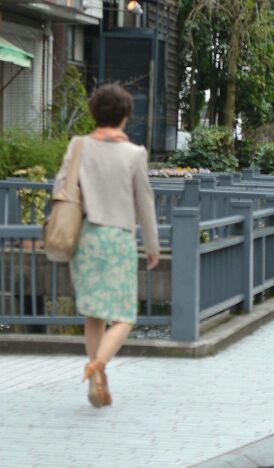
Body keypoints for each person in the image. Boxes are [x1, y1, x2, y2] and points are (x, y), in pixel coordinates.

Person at [53, 84, 160, 408]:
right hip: (118, 240)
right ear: (126, 116)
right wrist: (152, 246)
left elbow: (61, 185)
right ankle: (97, 365)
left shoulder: (78, 145)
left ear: (94, 113)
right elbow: (145, 202)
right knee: (125, 316)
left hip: (85, 238)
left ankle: (97, 377)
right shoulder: (134, 154)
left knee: (94, 314)